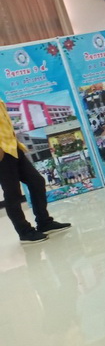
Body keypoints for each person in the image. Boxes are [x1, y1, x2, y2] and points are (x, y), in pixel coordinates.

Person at [0, 97, 71, 243]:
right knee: (12, 192)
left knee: (37, 181)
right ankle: (24, 232)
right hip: (2, 153)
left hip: (13, 147)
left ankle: (44, 222)